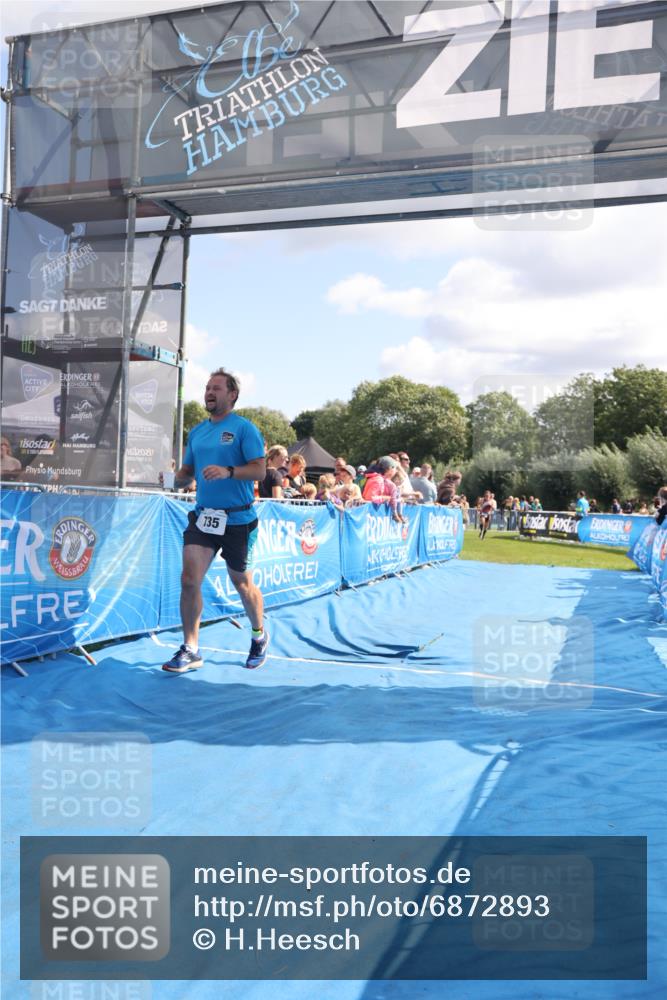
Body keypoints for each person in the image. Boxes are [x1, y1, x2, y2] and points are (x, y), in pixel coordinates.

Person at [162, 368, 268, 673]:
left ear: (232, 395)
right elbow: (187, 474)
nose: (209, 392)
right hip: (204, 517)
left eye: (217, 388)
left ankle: (259, 635)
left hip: (238, 519)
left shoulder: (244, 429)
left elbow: (260, 470)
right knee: (189, 579)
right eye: (207, 387)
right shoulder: (197, 432)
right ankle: (191, 648)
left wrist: (229, 471)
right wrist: (170, 480)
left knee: (242, 583)